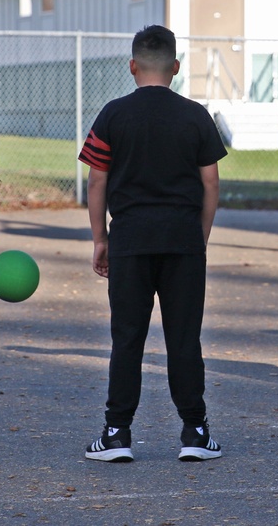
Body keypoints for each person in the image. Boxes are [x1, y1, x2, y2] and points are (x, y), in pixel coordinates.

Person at [80, 25, 227, 463]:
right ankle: (195, 433)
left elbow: (97, 181)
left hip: (129, 238)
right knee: (185, 339)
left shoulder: (113, 114)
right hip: (182, 239)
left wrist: (100, 240)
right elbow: (211, 183)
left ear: (132, 66)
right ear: (176, 68)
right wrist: (198, 236)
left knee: (127, 338)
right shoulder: (196, 115)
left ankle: (116, 433)